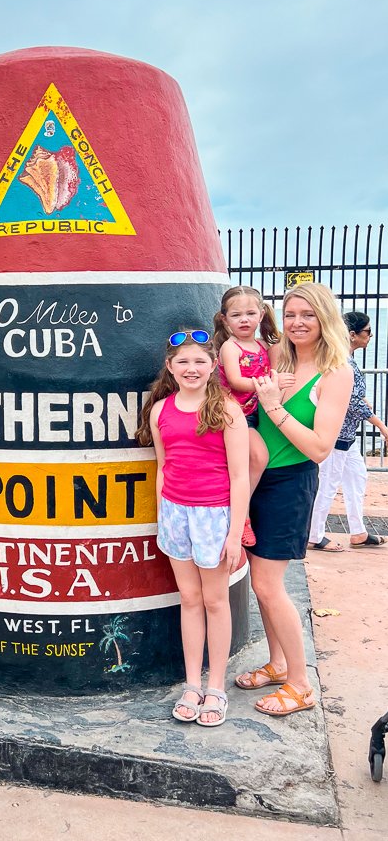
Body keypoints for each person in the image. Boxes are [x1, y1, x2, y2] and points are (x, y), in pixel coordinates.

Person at [235, 282, 352, 716]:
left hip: (290, 482)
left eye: (308, 315)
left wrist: (275, 405)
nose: (298, 323)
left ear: (325, 318)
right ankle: (279, 663)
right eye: (290, 315)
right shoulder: (277, 358)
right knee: (258, 582)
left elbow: (321, 447)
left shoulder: (335, 371)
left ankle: (301, 685)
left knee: (268, 584)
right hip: (255, 477)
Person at [137, 329, 249, 727]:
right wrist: (161, 519)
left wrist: (234, 533)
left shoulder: (227, 410)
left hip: (214, 516)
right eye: (182, 361)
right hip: (175, 515)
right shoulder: (160, 410)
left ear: (213, 366)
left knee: (215, 600)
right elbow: (162, 467)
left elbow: (239, 477)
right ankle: (191, 684)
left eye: (200, 361)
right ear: (169, 367)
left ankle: (215, 687)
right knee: (189, 599)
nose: (191, 368)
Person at [308, 311, 388, 551]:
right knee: (328, 483)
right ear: (352, 335)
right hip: (336, 434)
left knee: (357, 477)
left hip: (347, 435)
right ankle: (314, 535)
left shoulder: (345, 359)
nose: (370, 337)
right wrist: (381, 425)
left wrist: (362, 400)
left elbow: (354, 397)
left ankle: (358, 531)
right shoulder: (342, 362)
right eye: (367, 332)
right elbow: (351, 401)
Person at [214, 285, 286, 548]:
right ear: (224, 319)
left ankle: (241, 509)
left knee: (252, 462)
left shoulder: (265, 345)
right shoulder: (230, 348)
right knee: (258, 456)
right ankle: (241, 515)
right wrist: (269, 382)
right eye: (236, 315)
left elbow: (277, 370)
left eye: (250, 313)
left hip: (255, 413)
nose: (244, 319)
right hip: (235, 414)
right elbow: (235, 380)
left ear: (261, 314)